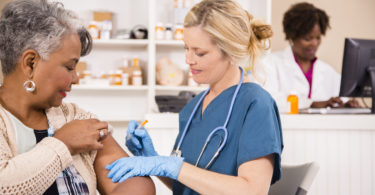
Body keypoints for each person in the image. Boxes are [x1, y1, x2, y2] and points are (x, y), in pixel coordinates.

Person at [105, 0, 283, 194]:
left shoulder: (256, 104)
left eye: (199, 52)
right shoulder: (193, 108)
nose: (188, 60)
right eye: (186, 48)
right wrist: (153, 158)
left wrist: (172, 166)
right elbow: (187, 186)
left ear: (231, 52)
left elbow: (252, 191)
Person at [0, 0, 155, 194]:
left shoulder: (74, 117)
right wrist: (63, 143)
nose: (76, 78)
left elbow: (134, 180)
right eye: (69, 67)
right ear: (31, 63)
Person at [262, 2, 360, 113]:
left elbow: (342, 97)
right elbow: (268, 100)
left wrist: (346, 105)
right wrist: (312, 104)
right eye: (308, 38)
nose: (314, 43)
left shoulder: (327, 71)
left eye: (318, 38)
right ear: (292, 37)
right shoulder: (270, 64)